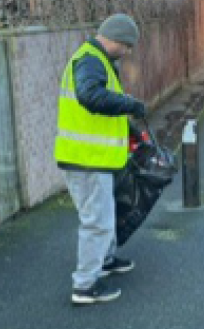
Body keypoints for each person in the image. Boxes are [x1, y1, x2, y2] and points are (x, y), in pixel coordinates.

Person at [55, 13, 147, 305]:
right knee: (97, 222)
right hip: (87, 160)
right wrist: (131, 104)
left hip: (93, 158)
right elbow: (91, 96)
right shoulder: (91, 61)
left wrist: (128, 125)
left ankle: (104, 261)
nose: (128, 52)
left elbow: (99, 104)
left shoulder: (96, 59)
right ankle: (84, 286)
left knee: (103, 217)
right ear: (117, 40)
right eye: (127, 46)